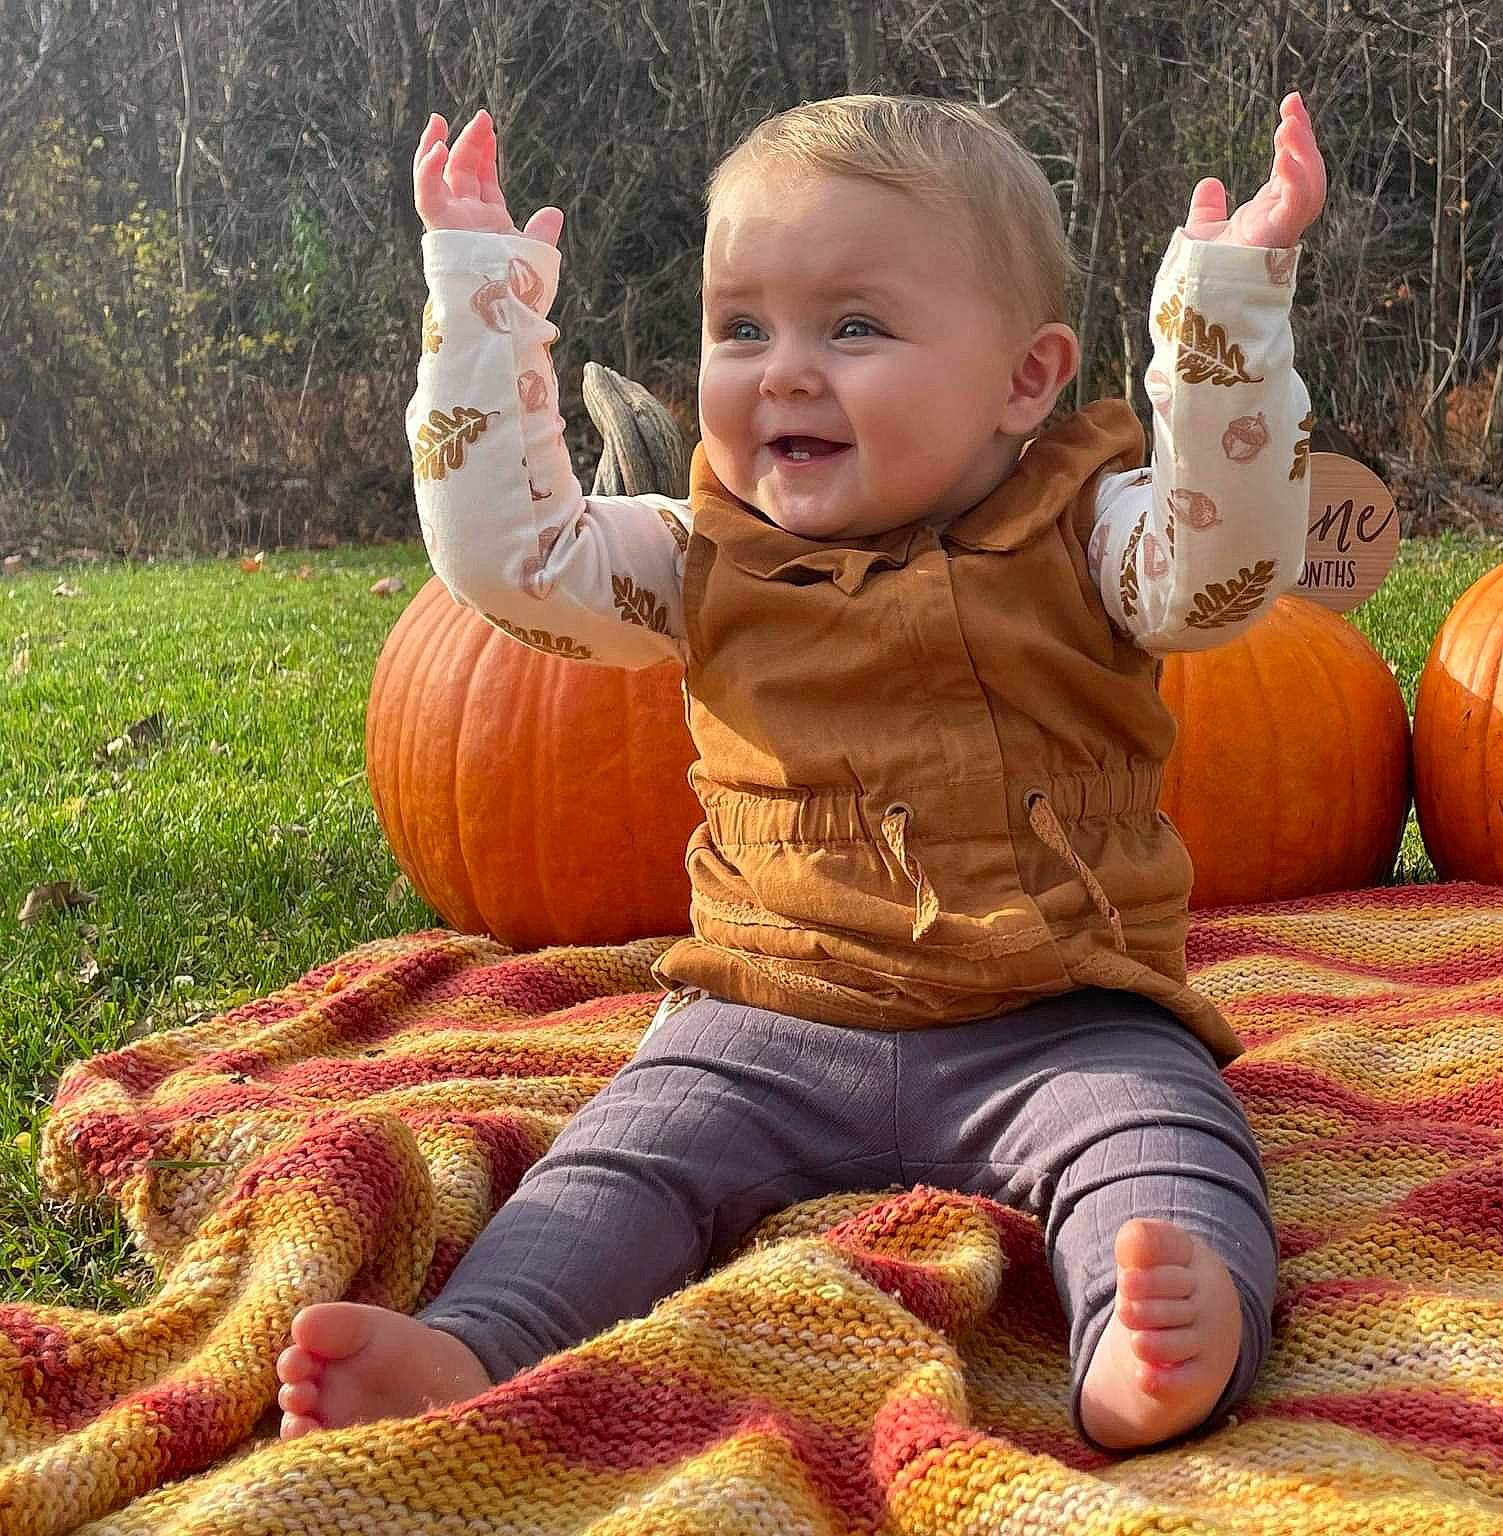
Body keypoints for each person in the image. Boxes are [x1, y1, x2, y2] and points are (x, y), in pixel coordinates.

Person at [276, 90, 1325, 1453]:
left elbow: (1225, 572)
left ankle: (1171, 1335)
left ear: (1025, 378)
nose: (782, 369)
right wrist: (481, 302)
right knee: (623, 1158)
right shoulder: (695, 552)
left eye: (856, 327)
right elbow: (510, 566)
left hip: (1061, 1011)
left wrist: (1225, 315)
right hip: (763, 1015)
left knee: (1165, 1138)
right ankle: (480, 1345)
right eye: (741, 327)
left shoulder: (1093, 530)